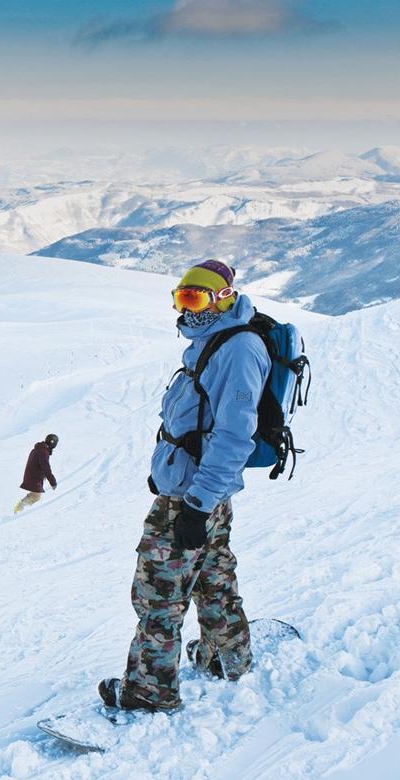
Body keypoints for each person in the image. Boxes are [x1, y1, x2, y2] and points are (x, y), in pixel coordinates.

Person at [100, 260, 269, 712]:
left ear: (222, 299)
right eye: (180, 298)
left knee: (158, 594)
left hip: (193, 498)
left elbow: (235, 436)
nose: (186, 309)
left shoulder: (236, 350)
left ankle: (149, 692)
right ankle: (227, 658)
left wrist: (195, 505)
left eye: (195, 298)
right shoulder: (213, 341)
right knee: (213, 578)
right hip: (198, 491)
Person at [15, 434, 58, 512]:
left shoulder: (39, 449)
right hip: (34, 476)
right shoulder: (44, 452)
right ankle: (19, 508)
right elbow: (46, 468)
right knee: (36, 496)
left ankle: (20, 507)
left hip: (33, 474)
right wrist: (53, 482)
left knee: (35, 494)